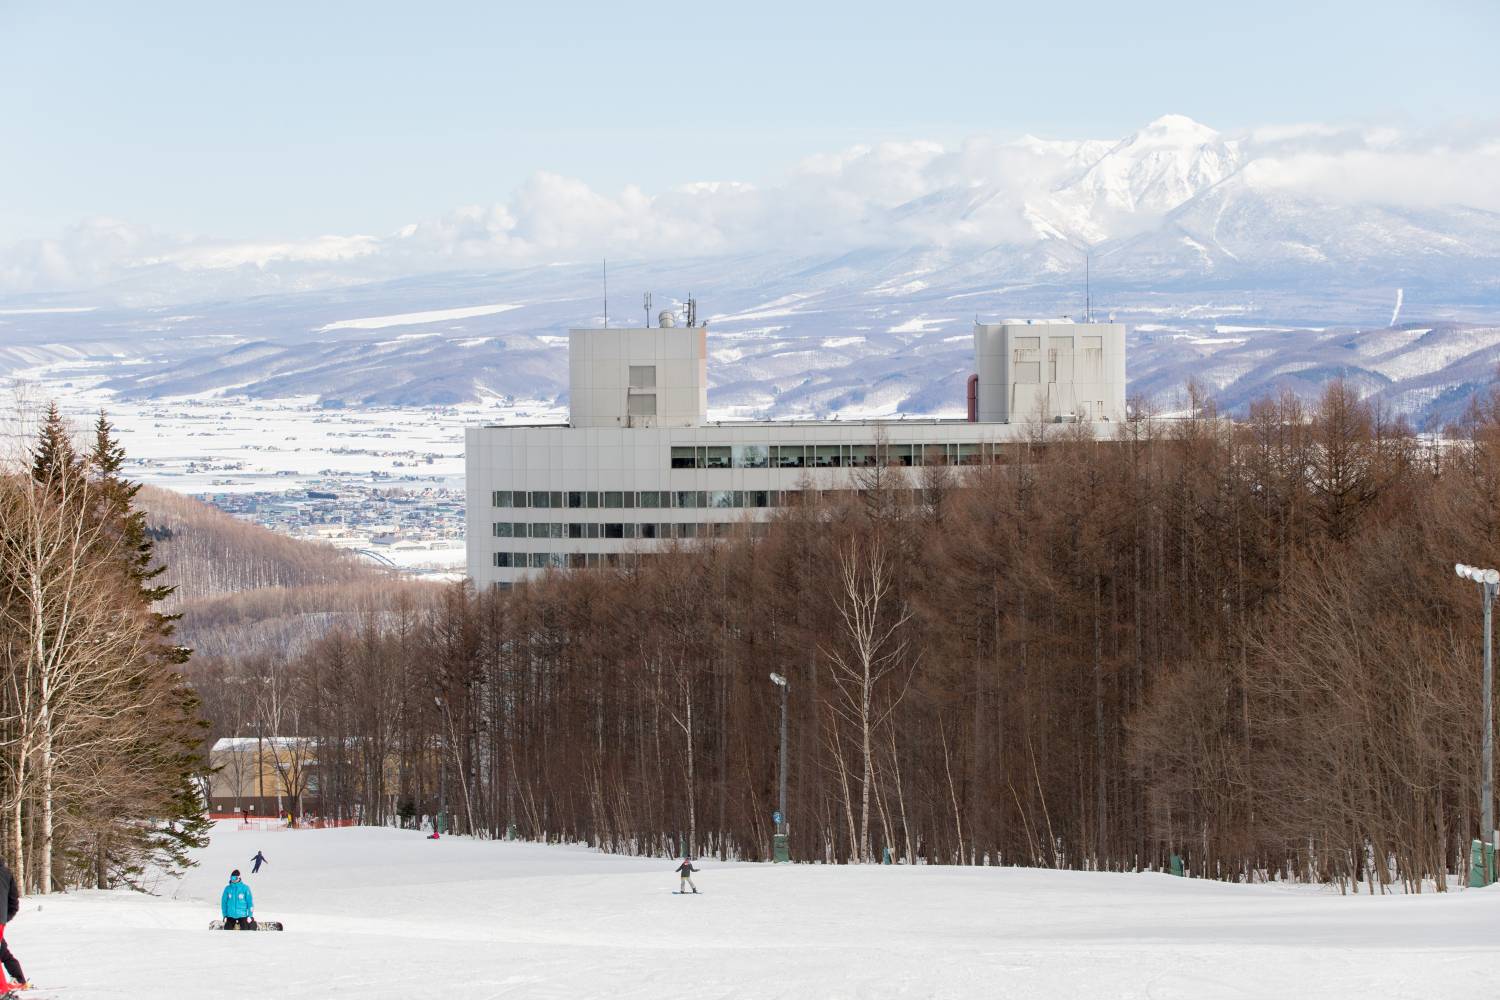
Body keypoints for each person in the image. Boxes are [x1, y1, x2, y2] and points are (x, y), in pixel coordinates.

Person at [0, 853, 24, 991]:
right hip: (1, 920)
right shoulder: (7, 873)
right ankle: (19, 979)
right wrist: (4, 918)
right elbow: (13, 901)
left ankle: (2, 988)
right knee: (2, 950)